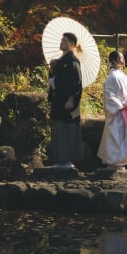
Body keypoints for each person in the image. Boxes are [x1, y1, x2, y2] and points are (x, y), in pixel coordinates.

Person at [48, 31, 84, 170]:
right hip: (58, 100)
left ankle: (67, 160)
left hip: (68, 102)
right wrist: (53, 68)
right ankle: (59, 160)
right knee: (58, 128)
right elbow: (55, 80)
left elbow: (76, 83)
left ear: (72, 45)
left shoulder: (73, 61)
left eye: (64, 41)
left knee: (67, 130)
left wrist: (71, 99)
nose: (61, 42)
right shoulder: (61, 61)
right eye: (61, 40)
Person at [98, 50, 127, 169]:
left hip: (125, 110)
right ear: (114, 60)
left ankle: (121, 160)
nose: (123, 59)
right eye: (120, 58)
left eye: (123, 57)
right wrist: (120, 106)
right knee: (115, 136)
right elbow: (109, 95)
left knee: (124, 137)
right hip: (118, 111)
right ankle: (113, 161)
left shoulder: (122, 75)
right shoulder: (112, 77)